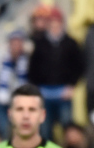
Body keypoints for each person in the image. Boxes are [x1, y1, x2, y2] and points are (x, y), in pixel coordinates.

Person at [28, 8, 83, 140]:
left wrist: (72, 85)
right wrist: (36, 88)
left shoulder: (70, 43)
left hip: (63, 91)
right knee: (45, 129)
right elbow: (33, 68)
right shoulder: (40, 43)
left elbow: (79, 66)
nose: (54, 27)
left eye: (57, 23)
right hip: (45, 92)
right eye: (52, 23)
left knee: (67, 127)